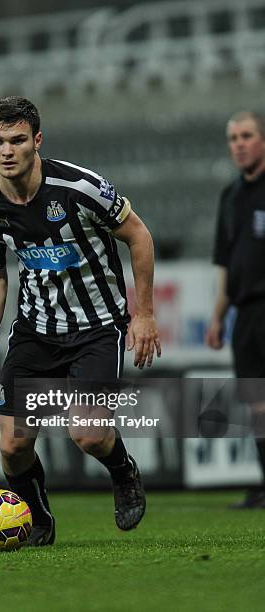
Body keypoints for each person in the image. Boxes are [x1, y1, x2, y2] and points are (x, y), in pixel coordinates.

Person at [0, 96, 161, 544]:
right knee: (12, 448)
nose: (7, 151)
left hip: (97, 327)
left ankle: (123, 470)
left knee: (89, 434)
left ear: (37, 140)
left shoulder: (81, 187)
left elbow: (140, 236)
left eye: (17, 140)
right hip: (36, 331)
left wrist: (145, 314)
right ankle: (38, 519)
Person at [206, 110, 265, 509]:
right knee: (257, 402)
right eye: (233, 137)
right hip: (245, 313)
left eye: (246, 135)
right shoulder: (230, 196)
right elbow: (226, 262)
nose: (239, 143)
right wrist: (217, 316)